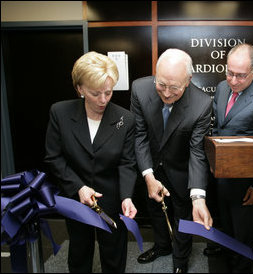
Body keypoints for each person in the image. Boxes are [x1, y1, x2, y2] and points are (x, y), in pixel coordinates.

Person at [44, 51, 137, 273]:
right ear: (80, 89)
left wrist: (126, 196)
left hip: (112, 197)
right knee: (79, 250)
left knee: (114, 252)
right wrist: (79, 187)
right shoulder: (60, 112)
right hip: (76, 195)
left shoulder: (125, 119)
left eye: (108, 92)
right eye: (96, 93)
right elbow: (53, 157)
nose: (103, 100)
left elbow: (127, 163)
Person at [130, 48, 213, 273]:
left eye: (174, 87)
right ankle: (162, 246)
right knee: (155, 209)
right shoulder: (139, 88)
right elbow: (140, 135)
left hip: (181, 167)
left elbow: (197, 151)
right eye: (161, 84)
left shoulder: (202, 104)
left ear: (188, 81)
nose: (166, 93)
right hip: (151, 165)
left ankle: (180, 261)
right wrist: (148, 174)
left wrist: (198, 197)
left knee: (183, 217)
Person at [211, 43, 253, 273]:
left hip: (247, 185)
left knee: (243, 236)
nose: (233, 80)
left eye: (240, 75)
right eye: (229, 72)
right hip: (222, 176)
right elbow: (218, 126)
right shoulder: (221, 88)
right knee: (227, 229)